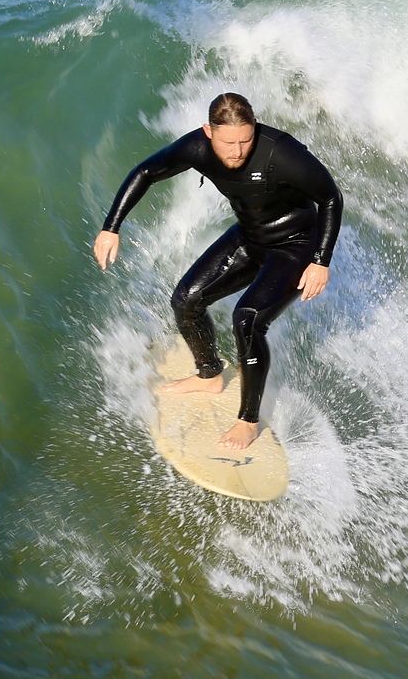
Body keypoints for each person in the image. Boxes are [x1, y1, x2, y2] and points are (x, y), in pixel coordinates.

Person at [92, 92, 342, 450]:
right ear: (208, 132)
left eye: (245, 140)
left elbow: (330, 197)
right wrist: (111, 227)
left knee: (247, 319)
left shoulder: (281, 153)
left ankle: (248, 422)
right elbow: (147, 172)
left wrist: (320, 260)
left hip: (295, 246)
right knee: (186, 300)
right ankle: (209, 375)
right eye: (228, 143)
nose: (238, 151)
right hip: (250, 237)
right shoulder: (198, 147)